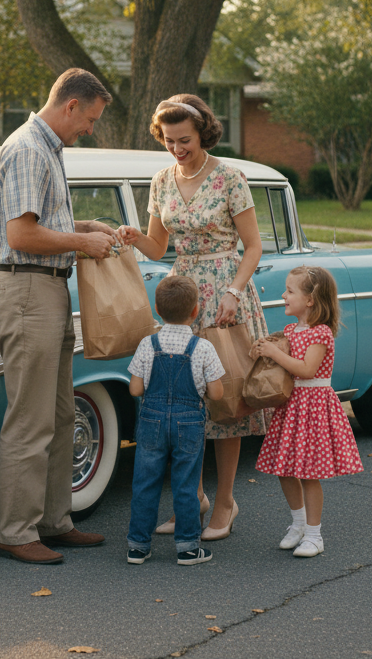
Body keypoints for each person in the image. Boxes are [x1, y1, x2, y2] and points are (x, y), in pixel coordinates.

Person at [116, 93, 269, 542]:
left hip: (225, 291)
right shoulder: (161, 179)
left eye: (184, 140)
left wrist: (233, 292)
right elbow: (158, 248)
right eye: (168, 141)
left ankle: (225, 502)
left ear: (203, 132)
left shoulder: (230, 178)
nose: (177, 149)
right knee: (184, 401)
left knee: (226, 403)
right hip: (183, 296)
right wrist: (132, 237)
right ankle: (192, 498)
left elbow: (253, 246)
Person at [0, 68, 120, 565]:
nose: (91, 128)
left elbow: (41, 224)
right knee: (31, 419)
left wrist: (83, 226)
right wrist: (81, 242)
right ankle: (17, 533)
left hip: (48, 291)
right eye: (90, 118)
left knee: (62, 414)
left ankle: (53, 522)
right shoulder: (27, 149)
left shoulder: (47, 149)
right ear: (70, 106)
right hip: (26, 291)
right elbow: (21, 236)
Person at [253, 266, 363, 558]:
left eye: (290, 291)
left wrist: (276, 354)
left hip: (313, 406)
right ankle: (298, 524)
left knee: (309, 473)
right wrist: (266, 351)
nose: (283, 295)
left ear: (311, 299)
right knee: (285, 469)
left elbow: (307, 369)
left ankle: (315, 535)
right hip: (291, 407)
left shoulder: (321, 333)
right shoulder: (290, 331)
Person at [126, 275, 226, 566]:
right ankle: (187, 548)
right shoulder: (203, 347)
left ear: (157, 308)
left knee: (145, 483)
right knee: (186, 484)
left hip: (151, 421)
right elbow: (217, 393)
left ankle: (138, 547)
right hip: (189, 423)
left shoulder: (148, 344)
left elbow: (135, 389)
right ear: (195, 311)